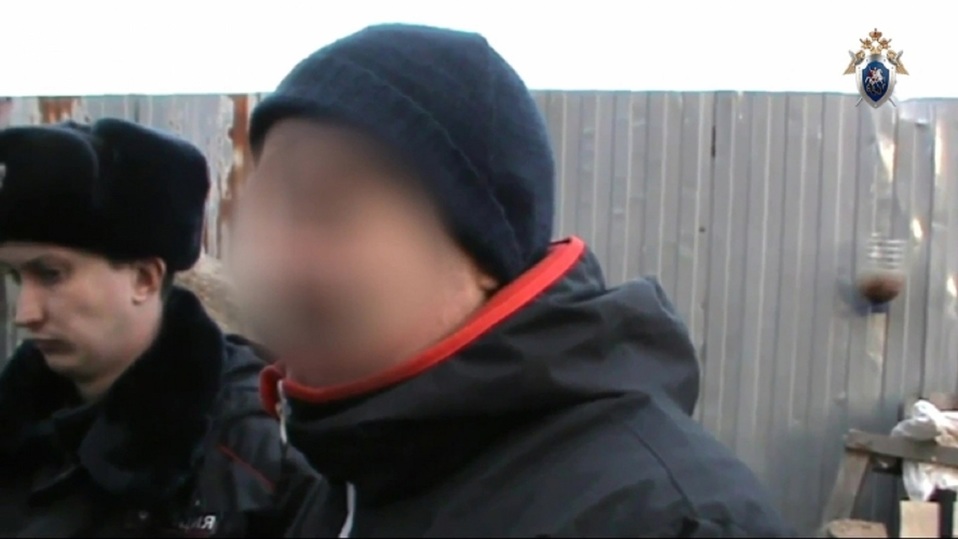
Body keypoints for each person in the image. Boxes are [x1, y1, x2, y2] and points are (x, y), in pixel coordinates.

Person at [233, 24, 797, 537]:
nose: (280, 267)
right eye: (271, 214)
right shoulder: (356, 471)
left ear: (483, 251)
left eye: (328, 208)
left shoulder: (662, 521)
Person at [0, 119, 319, 537]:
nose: (24, 313)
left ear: (145, 278)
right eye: (15, 277)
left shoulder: (259, 452)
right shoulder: (17, 434)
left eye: (51, 274)